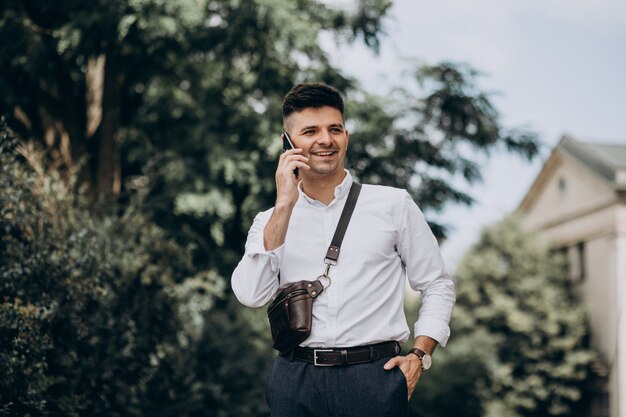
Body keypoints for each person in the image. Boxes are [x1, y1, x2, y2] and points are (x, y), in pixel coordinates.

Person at [231, 83, 455, 417]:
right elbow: (251, 294)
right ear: (287, 143)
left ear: (346, 136)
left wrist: (420, 356)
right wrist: (283, 206)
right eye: (310, 131)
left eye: (334, 129)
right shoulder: (269, 220)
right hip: (295, 379)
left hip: (373, 378)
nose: (325, 140)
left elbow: (437, 284)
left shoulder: (393, 204)